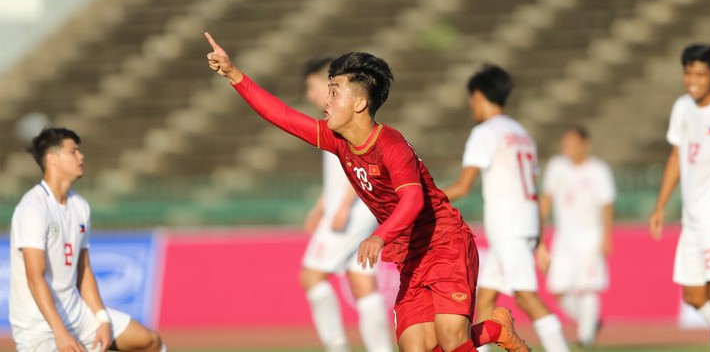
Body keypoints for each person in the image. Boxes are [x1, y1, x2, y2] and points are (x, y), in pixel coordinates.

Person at [205, 32, 530, 352]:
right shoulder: (337, 140)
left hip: (444, 242)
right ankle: (494, 328)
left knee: (451, 340)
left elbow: (413, 199)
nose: (326, 100)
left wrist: (380, 236)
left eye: (334, 92)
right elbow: (283, 116)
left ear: (359, 102)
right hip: (410, 255)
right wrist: (234, 74)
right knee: (417, 348)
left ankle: (490, 330)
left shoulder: (391, 145)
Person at [443, 64, 569, 352]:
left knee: (526, 297)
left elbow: (463, 186)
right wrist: (537, 239)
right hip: (522, 225)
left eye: (470, 99)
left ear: (478, 96)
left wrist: (423, 198)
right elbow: (533, 190)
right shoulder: (521, 133)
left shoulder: (485, 132)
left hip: (508, 227)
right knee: (485, 298)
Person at [9, 127, 165, 352]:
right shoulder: (33, 208)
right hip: (39, 325)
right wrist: (60, 332)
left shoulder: (79, 206)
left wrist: (101, 319)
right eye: (73, 151)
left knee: (149, 341)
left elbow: (84, 269)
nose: (81, 157)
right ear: (52, 159)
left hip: (77, 314)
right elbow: (35, 278)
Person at [300, 56, 392, 352]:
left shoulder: (342, 119)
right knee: (361, 281)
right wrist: (321, 206)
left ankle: (336, 346)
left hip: (353, 210)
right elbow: (340, 174)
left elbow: (361, 162)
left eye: (314, 86)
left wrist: (341, 208)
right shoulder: (334, 119)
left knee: (311, 275)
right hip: (362, 209)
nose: (311, 95)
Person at [649, 43, 710, 351]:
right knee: (693, 296)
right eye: (688, 73)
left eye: (700, 74)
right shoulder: (682, 107)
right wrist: (660, 205)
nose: (692, 80)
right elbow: (675, 155)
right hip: (692, 216)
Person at [539, 126, 615, 347]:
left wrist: (607, 236)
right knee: (558, 289)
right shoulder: (557, 167)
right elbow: (547, 199)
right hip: (564, 236)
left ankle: (585, 337)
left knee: (589, 285)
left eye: (571, 142)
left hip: (591, 235)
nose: (567, 147)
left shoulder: (598, 170)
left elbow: (607, 205)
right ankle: (589, 321)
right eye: (565, 142)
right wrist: (541, 229)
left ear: (584, 144)